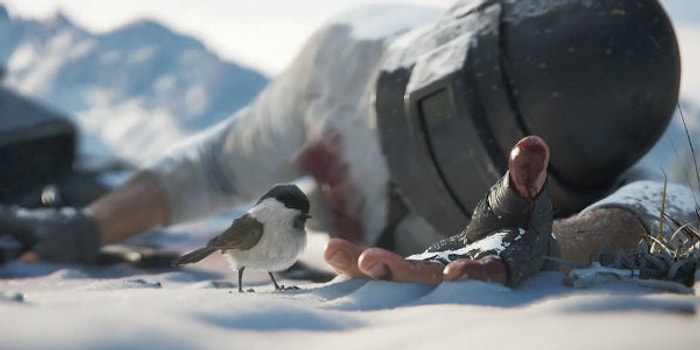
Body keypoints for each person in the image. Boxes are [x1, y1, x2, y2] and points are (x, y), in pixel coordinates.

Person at [1, 0, 697, 287]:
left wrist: (533, 250)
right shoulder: (344, 62)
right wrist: (85, 228)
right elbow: (213, 165)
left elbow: (659, 210)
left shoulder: (587, 180)